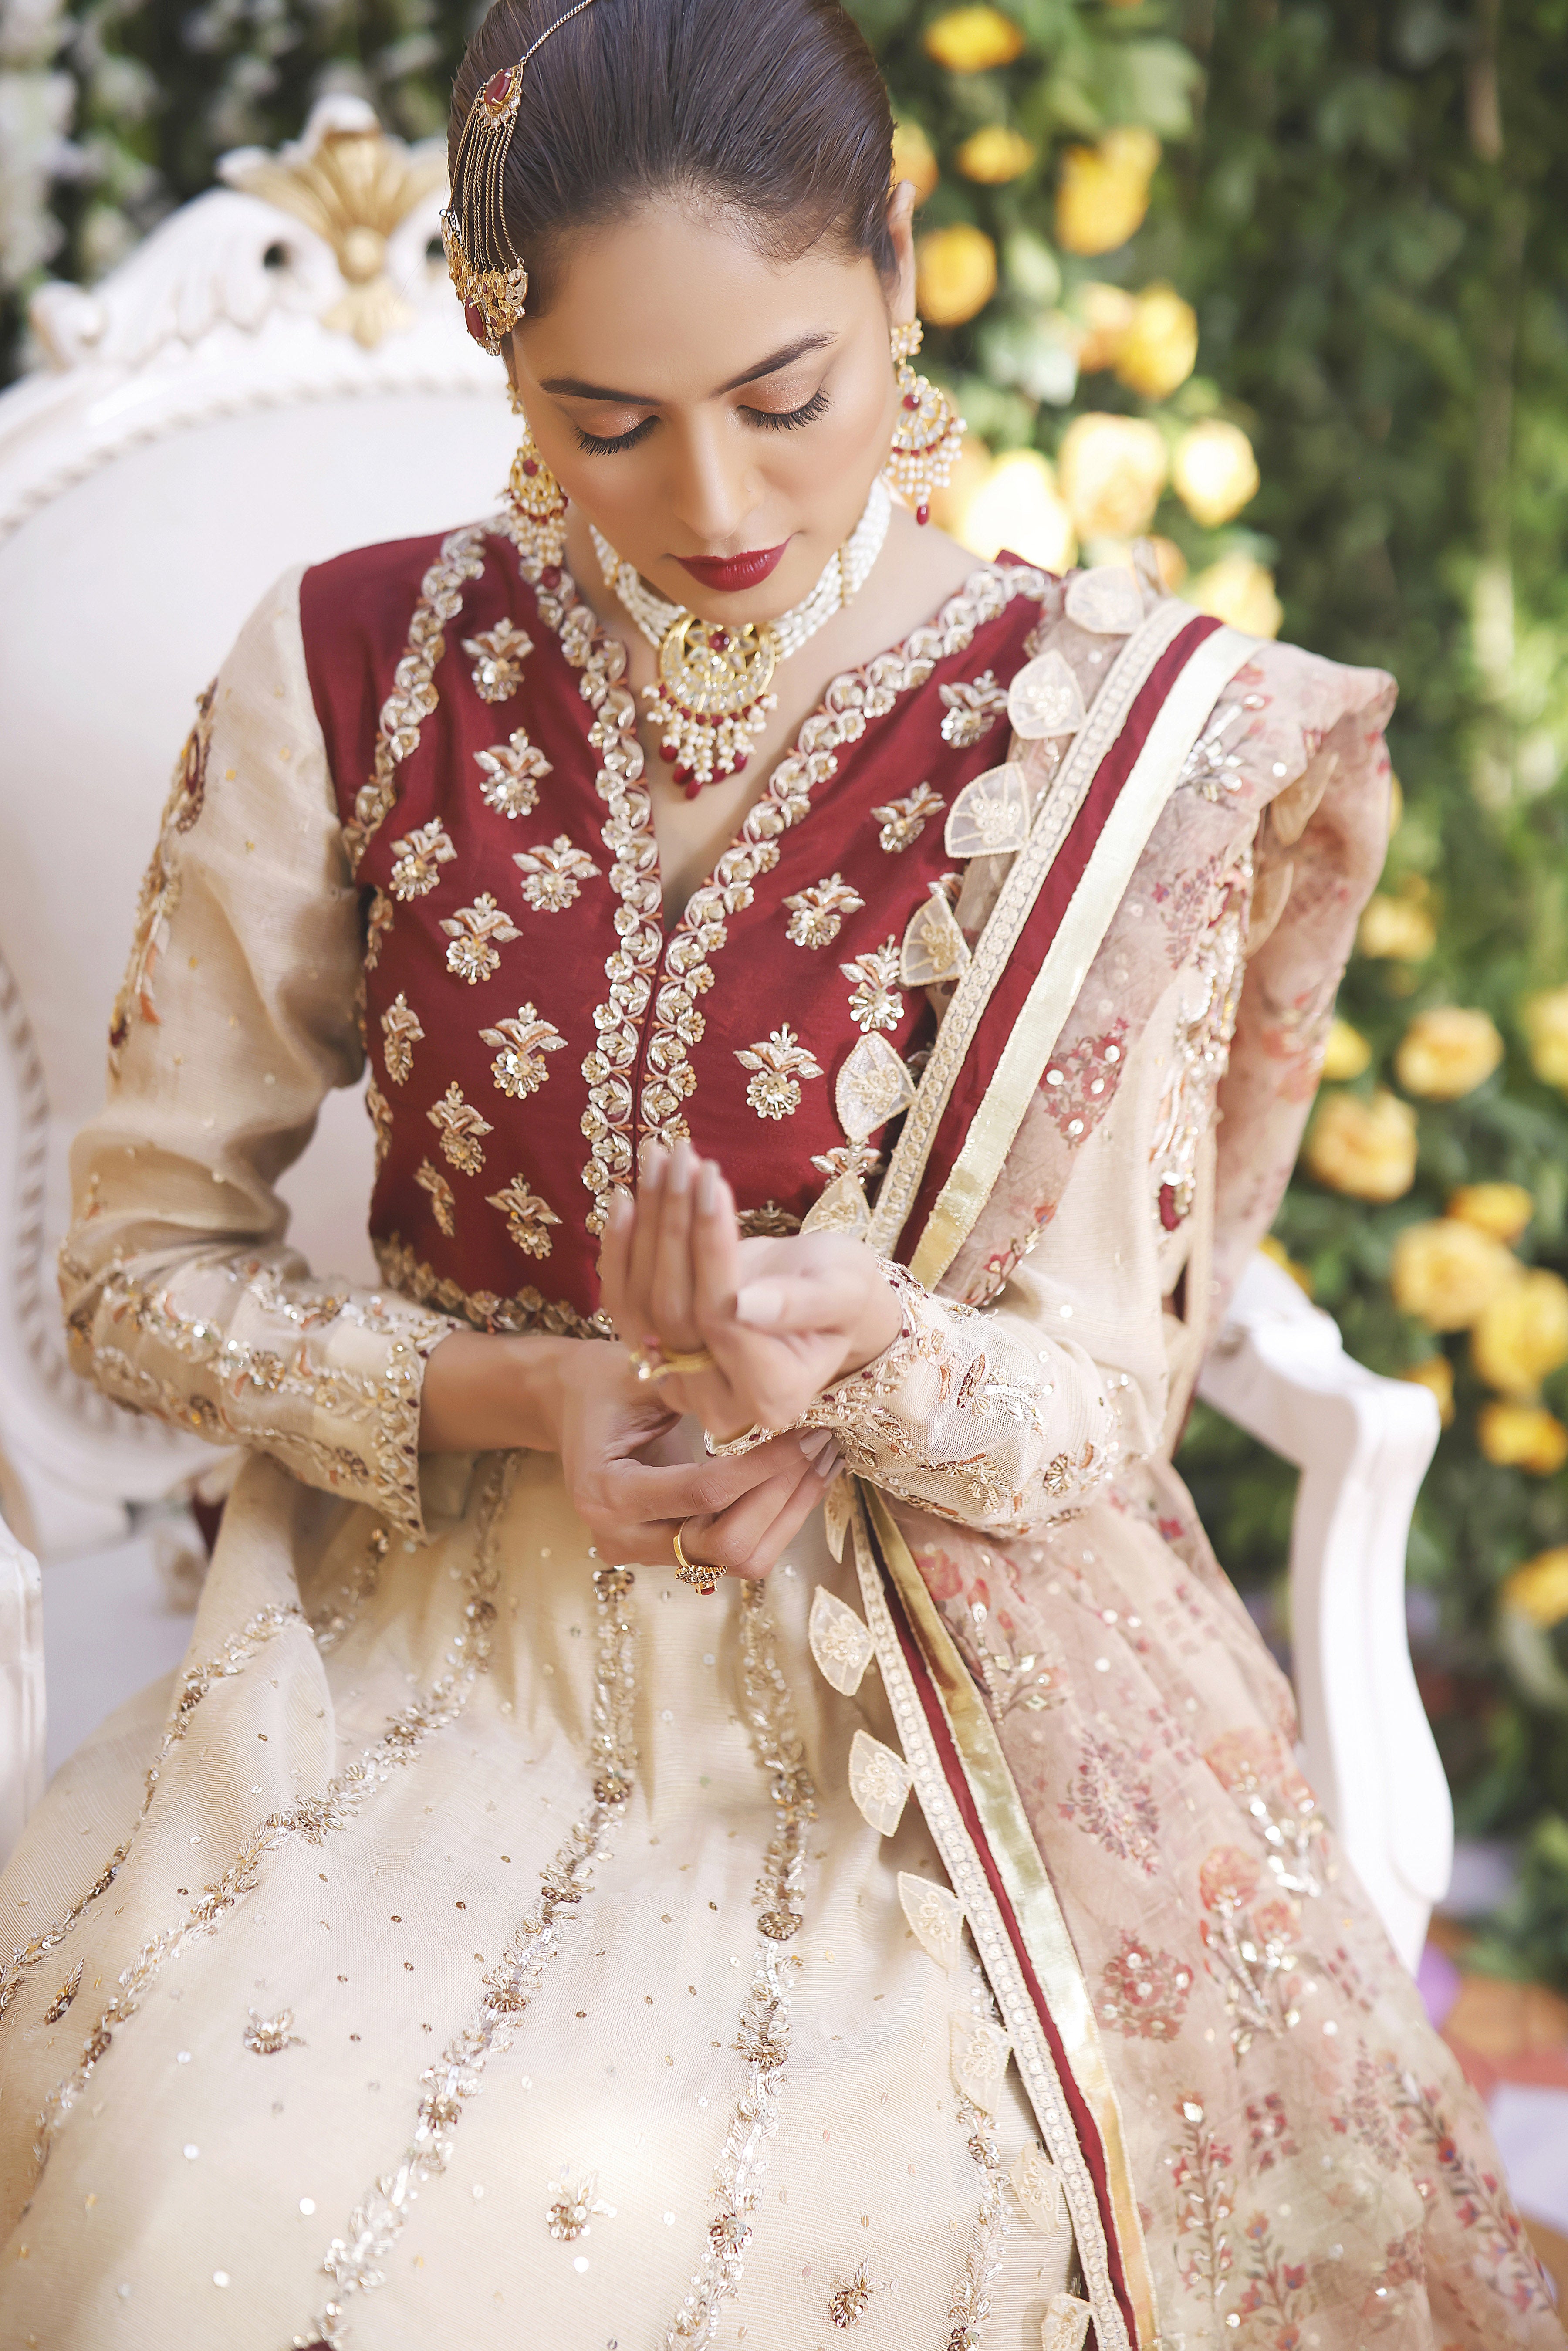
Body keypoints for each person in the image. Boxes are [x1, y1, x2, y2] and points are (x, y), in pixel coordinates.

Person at [0, 0, 1557, 2343]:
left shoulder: (1091, 734)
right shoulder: (348, 663)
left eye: (786, 397)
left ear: (904, 269)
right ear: (491, 345)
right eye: (605, 421)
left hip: (924, 1695)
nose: (713, 504)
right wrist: (510, 1398)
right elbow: (129, 1274)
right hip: (412, 1653)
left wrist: (869, 1355)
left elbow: (1097, 1404)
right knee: (234, 2219)